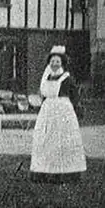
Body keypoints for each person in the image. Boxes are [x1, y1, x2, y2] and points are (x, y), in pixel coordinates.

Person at [30, 45, 86, 182]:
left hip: (63, 110)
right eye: (52, 62)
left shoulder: (67, 78)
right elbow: (42, 94)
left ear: (62, 63)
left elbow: (74, 96)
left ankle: (66, 173)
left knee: (63, 140)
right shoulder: (46, 77)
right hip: (47, 110)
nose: (54, 64)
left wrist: (75, 108)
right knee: (45, 140)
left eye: (57, 62)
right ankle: (43, 171)